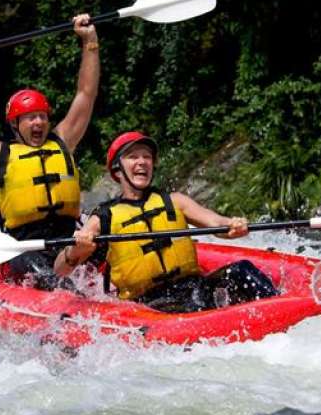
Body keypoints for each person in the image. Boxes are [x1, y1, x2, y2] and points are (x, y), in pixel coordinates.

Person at [0, 14, 100, 288]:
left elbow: (86, 93)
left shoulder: (63, 141)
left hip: (71, 238)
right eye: (29, 117)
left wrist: (90, 42)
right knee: (50, 279)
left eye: (42, 116)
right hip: (25, 248)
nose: (38, 122)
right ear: (15, 124)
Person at [53, 131, 278, 312]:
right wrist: (76, 249)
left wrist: (233, 225)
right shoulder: (104, 216)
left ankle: (279, 309)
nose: (142, 162)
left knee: (241, 271)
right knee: (194, 306)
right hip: (149, 304)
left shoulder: (175, 201)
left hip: (193, 286)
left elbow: (216, 223)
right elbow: (60, 269)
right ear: (116, 170)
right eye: (133, 156)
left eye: (147, 157)